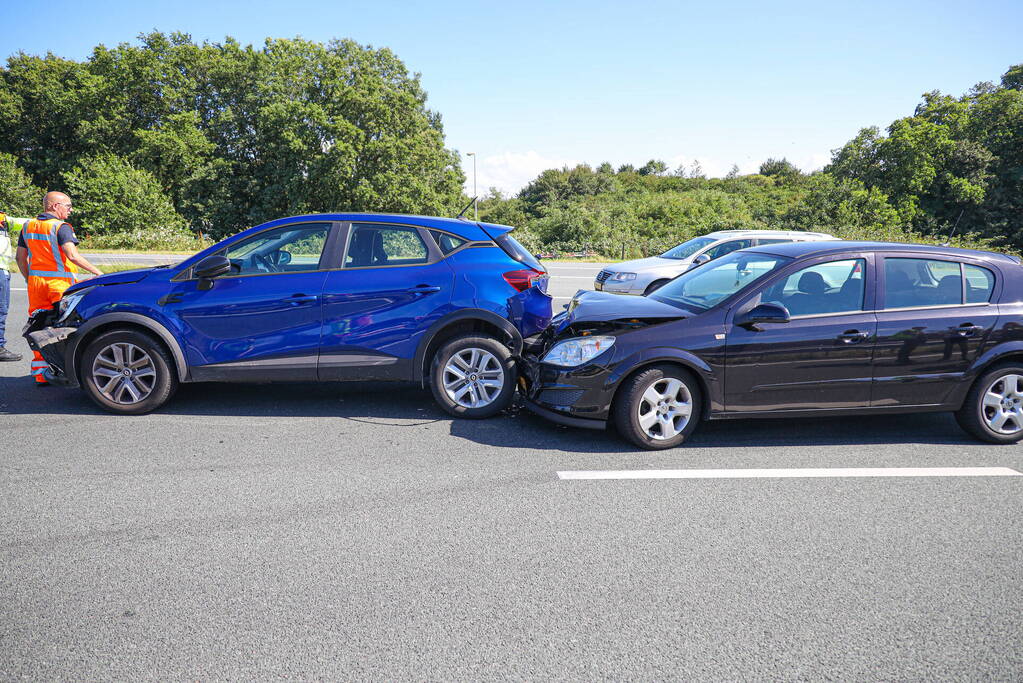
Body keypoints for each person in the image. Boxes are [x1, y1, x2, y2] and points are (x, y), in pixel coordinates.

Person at [15, 192, 103, 385]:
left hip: (37, 287)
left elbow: (20, 258)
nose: (70, 210)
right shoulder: (61, 227)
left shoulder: (28, 226)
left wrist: (30, 279)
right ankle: (65, 370)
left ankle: (41, 372)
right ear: (55, 206)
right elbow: (72, 256)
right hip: (59, 287)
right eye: (68, 206)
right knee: (63, 328)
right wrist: (98, 272)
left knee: (38, 326)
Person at [0, 212, 31, 361]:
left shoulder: (3, 219)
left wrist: (44, 219)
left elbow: (23, 223)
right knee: (1, 310)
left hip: (2, 269)